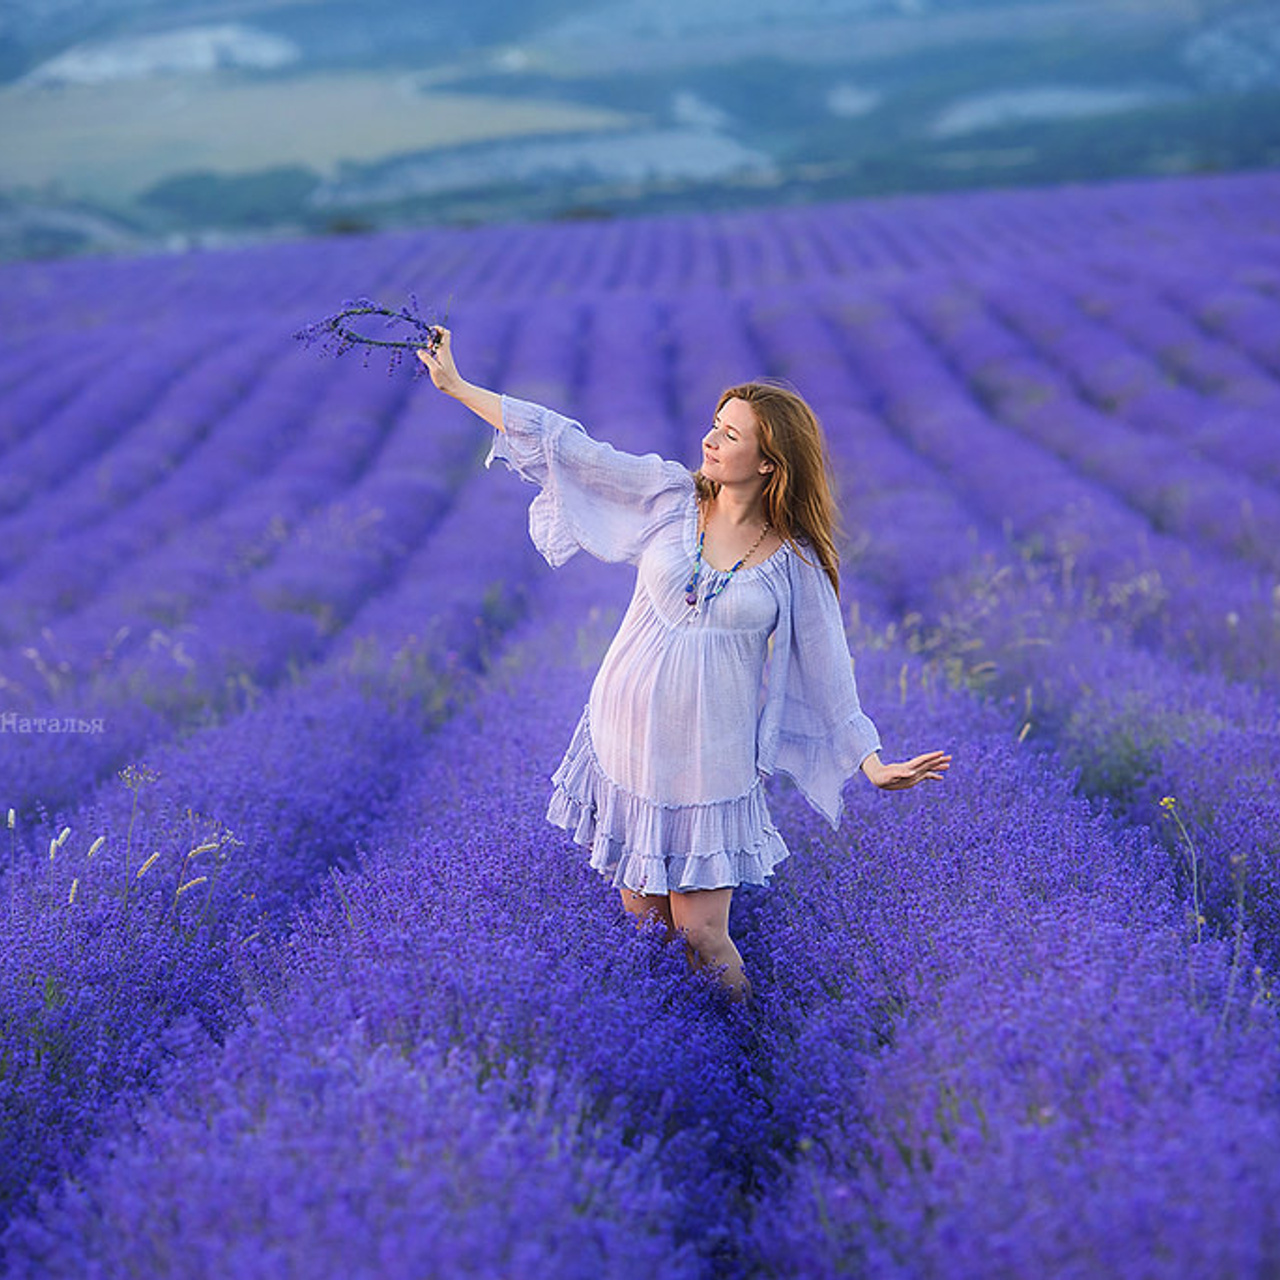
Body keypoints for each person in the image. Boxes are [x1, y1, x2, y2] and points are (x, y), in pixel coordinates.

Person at [417, 328, 950, 1001]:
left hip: (709, 759)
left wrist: (873, 763)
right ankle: (686, 1057)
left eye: (731, 434)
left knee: (702, 931)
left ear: (768, 462)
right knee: (647, 926)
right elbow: (567, 444)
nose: (712, 440)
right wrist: (459, 387)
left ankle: (754, 1045)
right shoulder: (670, 497)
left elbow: (829, 670)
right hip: (628, 740)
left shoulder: (796, 564)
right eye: (715, 424)